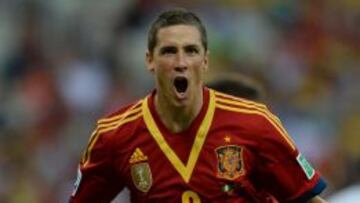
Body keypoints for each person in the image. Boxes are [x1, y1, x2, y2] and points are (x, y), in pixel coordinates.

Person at [70, 8, 328, 203]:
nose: (181, 62)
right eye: (169, 51)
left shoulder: (256, 123)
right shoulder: (114, 136)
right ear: (150, 60)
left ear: (205, 61)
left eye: (191, 51)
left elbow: (308, 200)